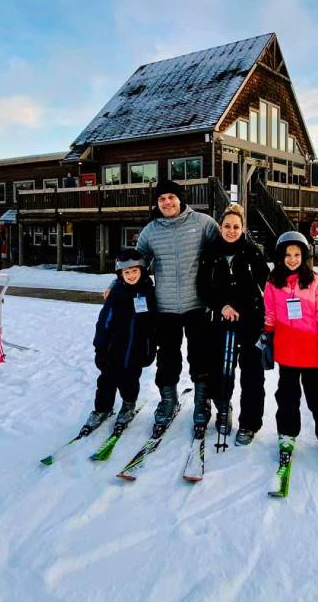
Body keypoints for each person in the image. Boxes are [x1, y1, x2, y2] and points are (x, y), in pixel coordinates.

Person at [115, 179, 220, 426]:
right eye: (162, 199)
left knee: (200, 355)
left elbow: (225, 248)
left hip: (198, 304)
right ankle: (168, 400)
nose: (167, 202)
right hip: (165, 307)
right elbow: (135, 263)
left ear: (181, 199)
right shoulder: (151, 230)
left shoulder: (203, 223)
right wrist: (114, 285)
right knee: (167, 357)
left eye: (171, 197)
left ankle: (202, 401)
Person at [259, 231, 318, 459]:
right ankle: (287, 433)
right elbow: (270, 315)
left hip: (310, 350)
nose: (292, 259)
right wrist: (267, 339)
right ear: (280, 256)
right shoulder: (273, 283)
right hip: (287, 351)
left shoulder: (315, 282)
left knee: (317, 395)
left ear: (303, 256)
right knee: (287, 395)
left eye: (296, 254)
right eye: (287, 255)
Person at [196, 203, 270, 445]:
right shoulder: (210, 252)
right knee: (220, 369)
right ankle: (223, 411)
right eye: (227, 226)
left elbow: (268, 286)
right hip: (221, 320)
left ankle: (249, 423)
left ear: (243, 228)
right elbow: (203, 288)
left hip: (250, 321)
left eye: (236, 226)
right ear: (220, 227)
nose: (231, 230)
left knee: (251, 373)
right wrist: (222, 306)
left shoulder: (252, 252)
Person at [87, 249, 156, 430]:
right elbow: (104, 322)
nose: (131, 275)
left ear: (142, 271)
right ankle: (102, 409)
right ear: (120, 274)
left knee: (130, 381)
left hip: (135, 351)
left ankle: (128, 405)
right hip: (112, 349)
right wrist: (100, 347)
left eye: (135, 271)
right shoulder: (116, 293)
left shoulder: (148, 293)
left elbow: (152, 325)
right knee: (106, 382)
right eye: (127, 272)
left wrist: (150, 349)